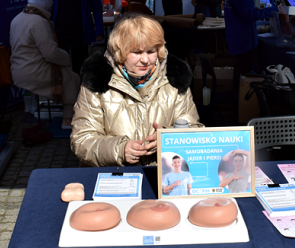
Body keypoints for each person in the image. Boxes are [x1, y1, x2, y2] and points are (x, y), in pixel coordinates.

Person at [71, 14, 202, 166]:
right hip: (115, 175)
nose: (145, 60)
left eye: (151, 52)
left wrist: (168, 140)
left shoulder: (174, 79)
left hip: (160, 173)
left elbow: (193, 131)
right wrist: (119, 150)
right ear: (120, 51)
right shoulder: (97, 81)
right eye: (137, 52)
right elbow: (82, 140)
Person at [10, 0, 81, 129]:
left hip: (17, 70)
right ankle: (67, 120)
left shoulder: (17, 19)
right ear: (46, 6)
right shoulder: (39, 22)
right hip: (31, 72)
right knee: (72, 77)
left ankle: (67, 116)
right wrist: (66, 58)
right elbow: (51, 53)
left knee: (67, 74)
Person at [224, 0, 279, 77]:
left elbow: (244, 10)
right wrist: (273, 10)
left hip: (238, 38)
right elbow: (250, 14)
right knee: (244, 74)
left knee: (241, 72)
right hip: (242, 39)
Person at [47, 0, 104, 74]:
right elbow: (48, 7)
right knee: (61, 65)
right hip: (60, 31)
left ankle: (78, 85)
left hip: (80, 32)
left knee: (79, 65)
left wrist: (98, 29)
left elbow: (97, 8)